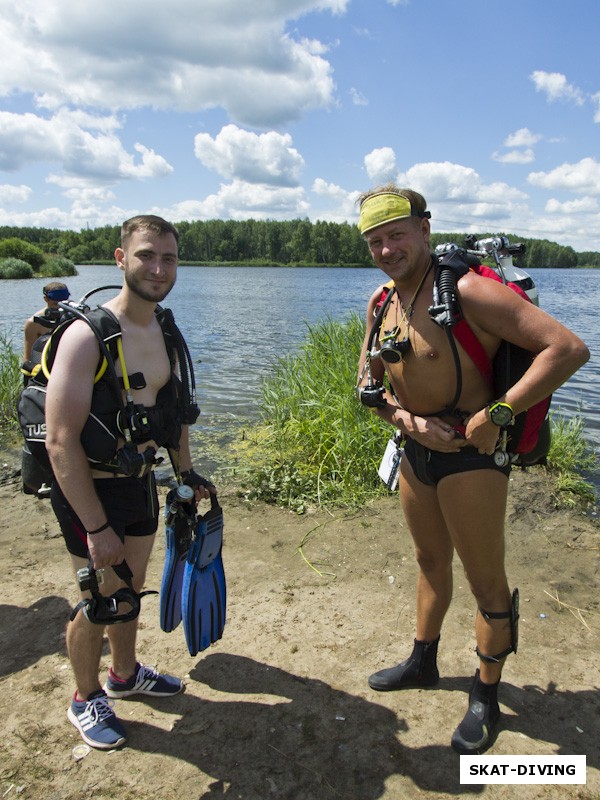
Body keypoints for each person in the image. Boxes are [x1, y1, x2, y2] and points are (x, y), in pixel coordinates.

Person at [355, 186, 589, 753]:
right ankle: (423, 660)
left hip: (473, 460)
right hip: (416, 454)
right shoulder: (382, 301)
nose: (388, 249)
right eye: (376, 241)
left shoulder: (469, 292)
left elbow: (567, 348)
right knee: (429, 561)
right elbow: (366, 387)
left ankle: (485, 694)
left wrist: (500, 411)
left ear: (424, 229)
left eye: (397, 235)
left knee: (486, 581)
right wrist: (405, 420)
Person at [45, 215, 214, 750]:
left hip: (139, 481)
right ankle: (84, 696)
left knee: (130, 591)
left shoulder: (163, 328)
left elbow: (173, 413)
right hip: (88, 492)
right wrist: (95, 526)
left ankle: (124, 675)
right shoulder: (85, 335)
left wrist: (186, 475)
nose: (158, 268)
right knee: (99, 596)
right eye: (146, 256)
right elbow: (59, 441)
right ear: (121, 259)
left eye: (168, 258)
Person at [23, 282, 70, 362]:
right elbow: (28, 358)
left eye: (63, 304)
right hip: (44, 367)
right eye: (55, 304)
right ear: (45, 299)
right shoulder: (34, 323)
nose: (59, 308)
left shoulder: (74, 318)